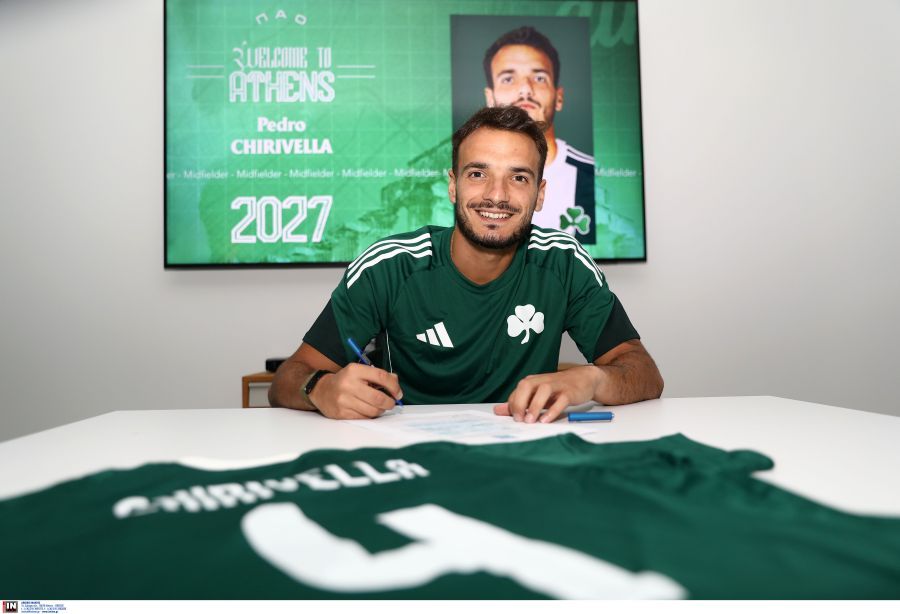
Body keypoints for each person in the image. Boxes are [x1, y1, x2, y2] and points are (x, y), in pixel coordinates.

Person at [269, 106, 662, 423]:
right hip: (408, 458)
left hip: (525, 454)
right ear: (453, 185)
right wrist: (320, 389)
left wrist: (592, 379)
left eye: (518, 178)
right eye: (478, 174)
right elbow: (288, 378)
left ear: (540, 194)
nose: (497, 195)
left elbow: (645, 373)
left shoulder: (563, 261)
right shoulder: (389, 266)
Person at [482, 25, 596, 238]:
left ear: (558, 97)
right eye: (508, 79)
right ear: (490, 98)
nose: (525, 89)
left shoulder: (592, 175)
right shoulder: (464, 180)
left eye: (539, 78)